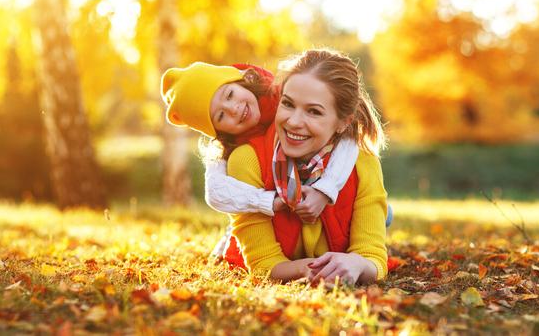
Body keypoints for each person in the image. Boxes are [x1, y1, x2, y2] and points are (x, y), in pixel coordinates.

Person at [222, 49, 388, 284]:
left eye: (314, 111)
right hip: (260, 253)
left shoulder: (363, 163)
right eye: (288, 104)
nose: (294, 122)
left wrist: (357, 263)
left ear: (343, 122)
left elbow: (373, 258)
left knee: (379, 214)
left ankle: (384, 215)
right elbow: (262, 265)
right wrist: (310, 269)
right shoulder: (247, 160)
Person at [161, 62, 359, 223]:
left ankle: (371, 212)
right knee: (240, 161)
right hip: (285, 211)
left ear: (241, 81)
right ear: (218, 132)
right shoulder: (228, 149)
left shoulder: (284, 96)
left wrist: (325, 190)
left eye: (230, 95)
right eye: (221, 116)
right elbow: (215, 191)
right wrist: (266, 201)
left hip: (327, 188)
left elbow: (349, 137)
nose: (234, 109)